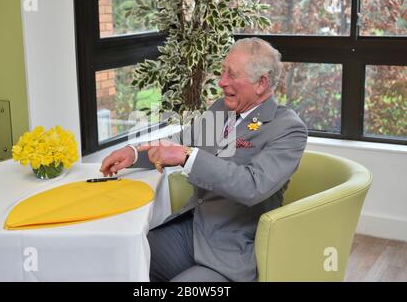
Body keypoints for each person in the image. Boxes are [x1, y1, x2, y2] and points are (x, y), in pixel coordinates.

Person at [100, 37, 308, 282]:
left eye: (231, 75)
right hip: (190, 229)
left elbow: (251, 186)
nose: (221, 82)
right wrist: (134, 153)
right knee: (121, 263)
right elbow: (181, 140)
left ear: (261, 83)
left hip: (228, 248)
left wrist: (186, 156)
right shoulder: (222, 108)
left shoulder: (288, 129)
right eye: (222, 72)